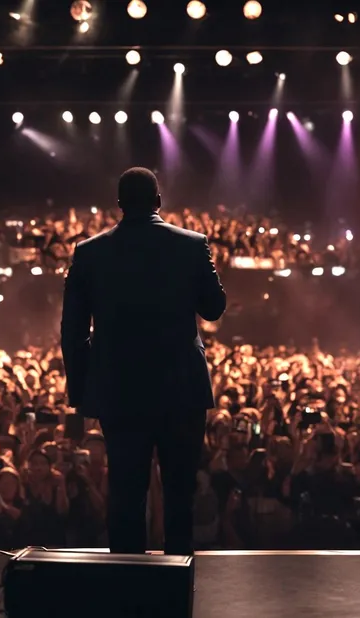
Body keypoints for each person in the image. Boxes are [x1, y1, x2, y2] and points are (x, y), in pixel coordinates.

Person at [61, 167, 227, 555]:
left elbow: (73, 332)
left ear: (119, 204)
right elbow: (214, 308)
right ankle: (178, 580)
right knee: (179, 494)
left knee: (125, 493)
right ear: (158, 202)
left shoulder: (89, 252)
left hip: (119, 391)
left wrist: (81, 395)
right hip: (181, 389)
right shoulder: (192, 244)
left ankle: (127, 580)